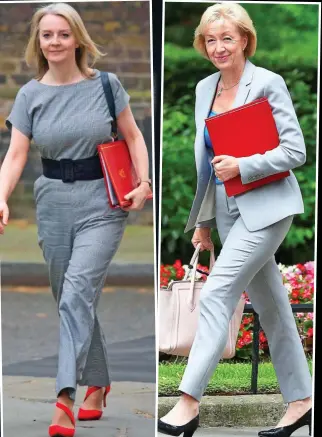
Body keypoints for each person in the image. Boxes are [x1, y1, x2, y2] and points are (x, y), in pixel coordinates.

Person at [158, 4, 312, 437]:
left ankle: (187, 404)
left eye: (227, 38)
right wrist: (204, 222)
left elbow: (295, 151)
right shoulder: (205, 88)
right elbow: (207, 165)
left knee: (217, 294)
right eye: (210, 39)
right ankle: (302, 401)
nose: (218, 47)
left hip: (267, 210)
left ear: (244, 39)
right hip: (226, 212)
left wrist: (244, 166)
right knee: (273, 308)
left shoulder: (267, 83)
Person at [0, 3, 151, 437]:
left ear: (79, 39)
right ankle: (99, 382)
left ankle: (64, 395)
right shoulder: (30, 94)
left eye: (63, 34)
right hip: (51, 201)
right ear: (38, 42)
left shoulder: (107, 85)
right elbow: (16, 154)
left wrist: (143, 182)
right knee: (72, 296)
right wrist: (2, 197)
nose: (54, 42)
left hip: (103, 202)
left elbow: (133, 136)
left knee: (76, 293)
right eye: (47, 35)